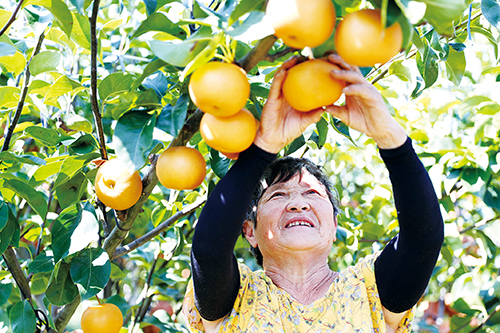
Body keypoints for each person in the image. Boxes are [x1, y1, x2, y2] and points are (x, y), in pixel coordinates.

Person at [182, 54, 444, 333]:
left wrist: (391, 140)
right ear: (249, 231)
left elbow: (422, 241)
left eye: (313, 194)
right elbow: (208, 251)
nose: (297, 204)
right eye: (278, 195)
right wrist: (264, 147)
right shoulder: (237, 297)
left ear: (334, 226)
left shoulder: (369, 293)